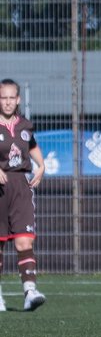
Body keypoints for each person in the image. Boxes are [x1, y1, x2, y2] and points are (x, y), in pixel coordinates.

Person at [0, 79, 46, 311]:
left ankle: (29, 291)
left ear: (18, 99)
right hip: (0, 187)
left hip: (20, 185)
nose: (7, 102)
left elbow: (33, 146)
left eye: (11, 98)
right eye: (3, 98)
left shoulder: (25, 125)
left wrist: (42, 165)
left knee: (24, 240)